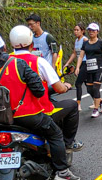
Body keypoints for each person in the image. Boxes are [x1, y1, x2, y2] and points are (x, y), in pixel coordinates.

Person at [0, 33, 80, 180]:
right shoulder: (17, 64)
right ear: (5, 47)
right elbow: (38, 90)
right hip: (27, 116)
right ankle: (62, 172)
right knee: (55, 134)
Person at [9, 25, 84, 153]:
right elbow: (59, 88)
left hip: (9, 115)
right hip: (36, 112)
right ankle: (68, 146)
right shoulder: (38, 61)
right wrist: (65, 86)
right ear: (32, 44)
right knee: (71, 106)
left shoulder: (5, 62)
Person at [76, 22, 102, 118]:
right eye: (89, 30)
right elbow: (81, 56)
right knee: (89, 89)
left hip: (99, 69)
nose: (91, 32)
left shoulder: (101, 43)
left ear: (97, 31)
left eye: (93, 30)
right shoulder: (85, 43)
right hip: (89, 68)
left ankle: (96, 109)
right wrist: (77, 67)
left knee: (95, 88)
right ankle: (101, 101)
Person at [62, 23, 87, 110]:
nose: (75, 32)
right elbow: (74, 53)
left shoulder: (85, 39)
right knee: (88, 84)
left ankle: (78, 104)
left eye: (77, 30)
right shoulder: (77, 41)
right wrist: (67, 63)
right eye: (74, 30)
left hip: (85, 64)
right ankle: (98, 101)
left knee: (78, 84)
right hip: (80, 64)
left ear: (82, 31)